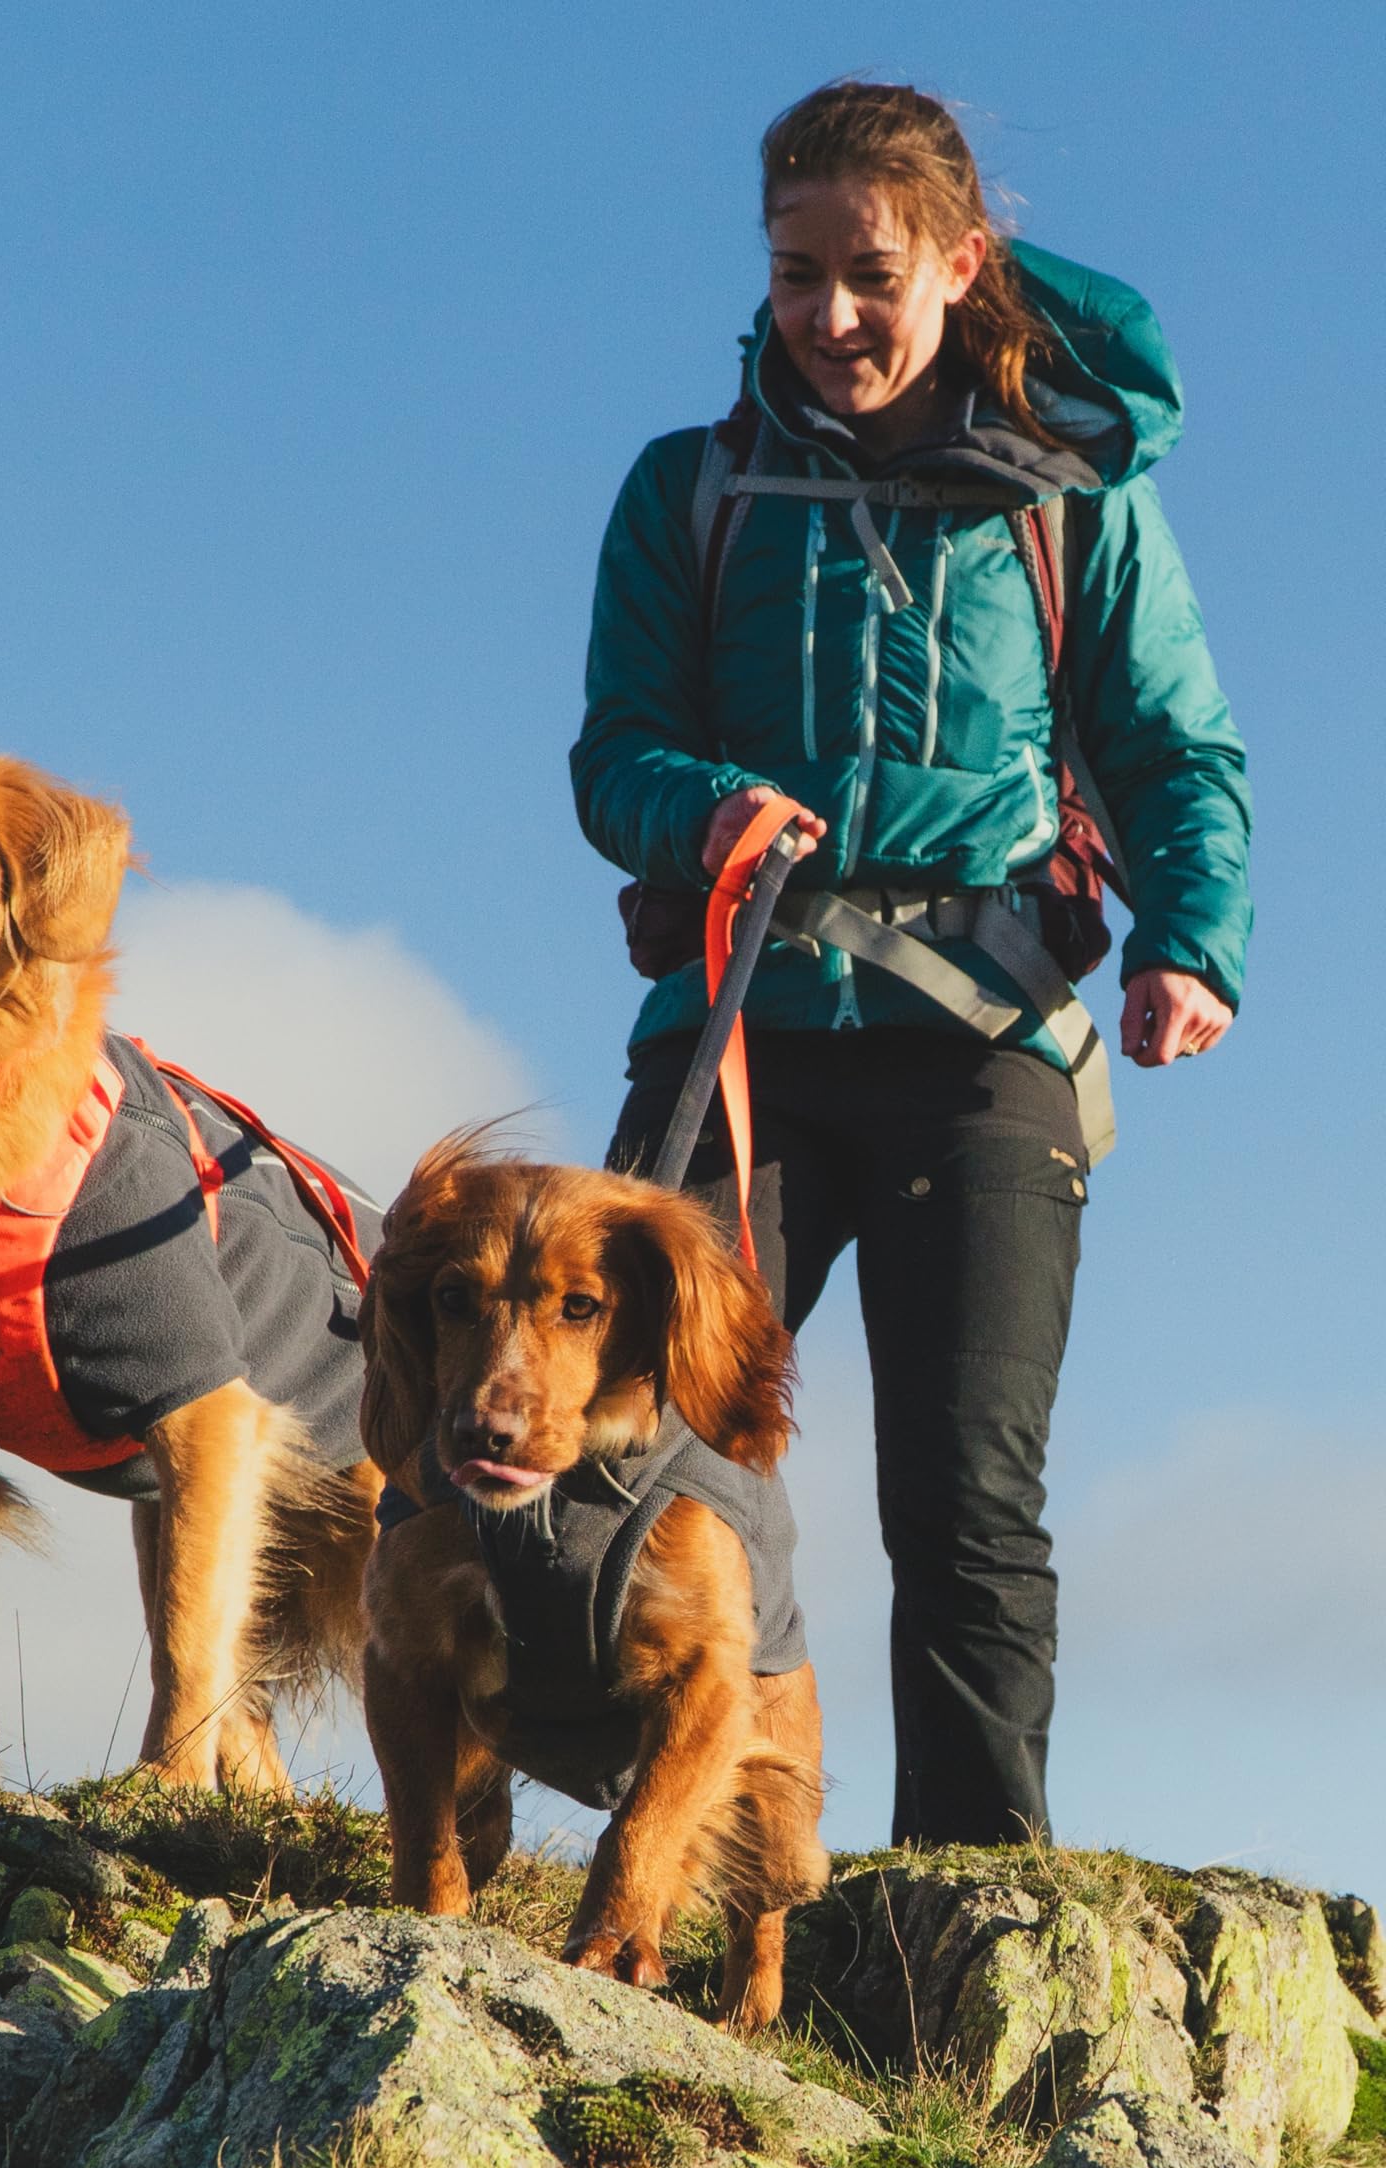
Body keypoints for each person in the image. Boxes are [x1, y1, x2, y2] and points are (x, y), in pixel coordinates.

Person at [571, 79, 1251, 1848]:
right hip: (740, 1034)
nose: (832, 314)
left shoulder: (1068, 499)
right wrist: (708, 802)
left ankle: (964, 1903)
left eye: (869, 270)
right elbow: (611, 757)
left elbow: (1177, 751)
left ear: (963, 262)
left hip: (984, 1046)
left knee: (963, 1500)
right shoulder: (690, 489)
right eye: (796, 272)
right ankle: (686, 1869)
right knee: (635, 1449)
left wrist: (1195, 944)